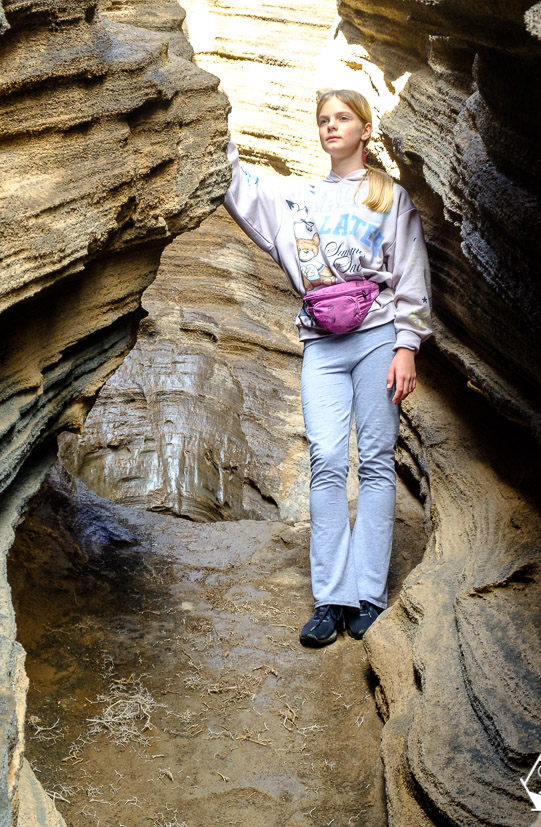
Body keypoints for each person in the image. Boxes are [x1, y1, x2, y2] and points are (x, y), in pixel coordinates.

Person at [221, 88, 432, 647]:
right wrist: (213, 130)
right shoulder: (301, 196)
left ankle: (368, 595)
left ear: (365, 130)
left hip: (378, 339)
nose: (330, 127)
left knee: (378, 463)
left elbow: (409, 273)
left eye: (342, 118)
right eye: (323, 120)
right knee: (328, 460)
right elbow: (240, 190)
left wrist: (406, 345)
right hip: (321, 342)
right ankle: (331, 599)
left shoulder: (389, 197)